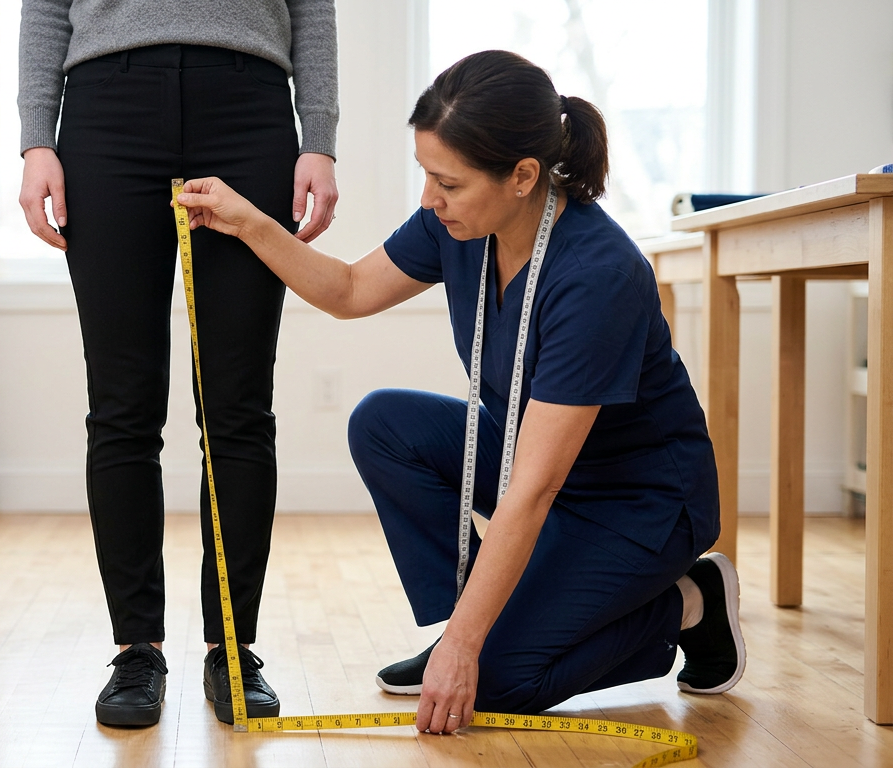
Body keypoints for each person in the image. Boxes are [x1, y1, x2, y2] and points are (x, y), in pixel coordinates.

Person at [175, 49, 744, 735]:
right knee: (384, 423)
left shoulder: (597, 275)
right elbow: (351, 291)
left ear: (522, 177)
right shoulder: (462, 225)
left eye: (447, 181)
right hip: (540, 475)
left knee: (496, 683)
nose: (428, 199)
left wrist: (469, 650)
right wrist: (247, 222)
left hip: (640, 504)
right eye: (425, 174)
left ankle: (691, 602)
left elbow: (534, 487)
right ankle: (472, 625)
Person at [17, 1, 341, 727]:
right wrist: (37, 140)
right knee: (123, 406)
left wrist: (317, 137)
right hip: (106, 108)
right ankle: (137, 648)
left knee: (238, 404)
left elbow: (311, 9)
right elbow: (45, 8)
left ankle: (233, 645)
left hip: (249, 106)